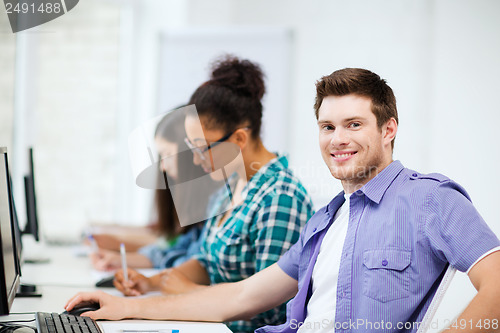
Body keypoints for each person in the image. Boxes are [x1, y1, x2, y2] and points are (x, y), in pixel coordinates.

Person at [66, 68, 500, 332]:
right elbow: (238, 298)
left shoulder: (428, 199)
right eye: (327, 127)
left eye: (353, 124)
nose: (338, 139)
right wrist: (125, 308)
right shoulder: (326, 220)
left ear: (389, 130)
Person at [89, 56, 314, 332]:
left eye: (201, 148)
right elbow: (208, 261)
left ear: (239, 139)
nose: (196, 161)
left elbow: (271, 311)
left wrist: (189, 292)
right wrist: (155, 282)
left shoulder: (280, 198)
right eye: (191, 148)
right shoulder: (230, 186)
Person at [91, 109, 214, 270]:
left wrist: (120, 247)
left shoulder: (213, 205)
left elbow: (186, 258)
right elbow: (173, 249)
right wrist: (121, 257)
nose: (163, 166)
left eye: (167, 154)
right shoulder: (192, 205)